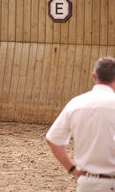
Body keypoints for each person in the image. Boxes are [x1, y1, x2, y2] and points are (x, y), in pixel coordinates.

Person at [46, 56, 115, 192]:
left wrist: (71, 168)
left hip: (85, 183)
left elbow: (52, 139)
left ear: (94, 77)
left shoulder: (76, 103)